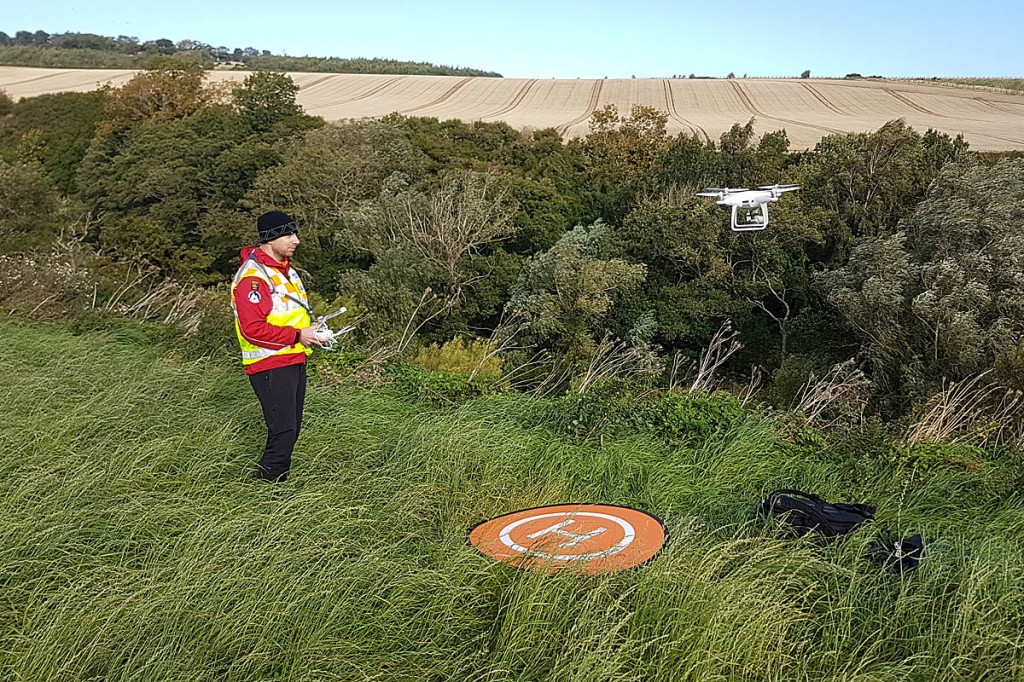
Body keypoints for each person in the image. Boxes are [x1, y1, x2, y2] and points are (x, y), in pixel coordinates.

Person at [230, 211, 322, 482]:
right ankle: (267, 491)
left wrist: (313, 332)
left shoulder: (286, 270)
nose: (296, 240)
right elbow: (252, 328)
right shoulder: (253, 278)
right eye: (289, 234)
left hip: (294, 359)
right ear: (270, 238)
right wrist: (297, 336)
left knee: (291, 431)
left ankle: (273, 486)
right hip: (269, 363)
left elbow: (292, 314)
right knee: (283, 431)